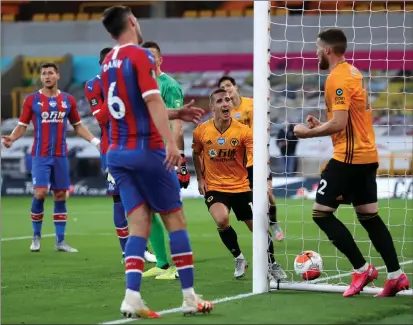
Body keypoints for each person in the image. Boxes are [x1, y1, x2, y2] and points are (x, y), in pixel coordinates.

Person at [100, 6, 213, 318]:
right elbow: (151, 100)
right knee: (175, 220)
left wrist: (176, 113)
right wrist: (169, 145)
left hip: (118, 155)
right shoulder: (140, 56)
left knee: (139, 225)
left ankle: (131, 297)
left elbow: (130, 106)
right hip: (146, 150)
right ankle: (190, 297)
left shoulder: (109, 61)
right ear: (133, 22)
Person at [293, 28, 410, 297]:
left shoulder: (337, 78)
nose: (315, 53)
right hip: (367, 155)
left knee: (321, 213)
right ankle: (395, 275)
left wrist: (306, 132)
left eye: (316, 47)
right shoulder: (354, 72)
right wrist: (323, 125)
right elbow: (348, 122)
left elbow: (341, 122)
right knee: (369, 216)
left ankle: (362, 268)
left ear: (327, 50)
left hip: (349, 157)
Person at [2, 62, 100, 253]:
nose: (47, 76)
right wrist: (12, 138)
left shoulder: (68, 100)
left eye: (50, 73)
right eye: (44, 74)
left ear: (57, 76)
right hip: (40, 154)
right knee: (39, 193)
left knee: (60, 195)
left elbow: (78, 125)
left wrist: (96, 142)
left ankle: (60, 242)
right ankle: (36, 236)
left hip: (60, 155)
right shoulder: (31, 100)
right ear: (41, 78)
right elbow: (22, 125)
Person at [192, 88, 287, 281]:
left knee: (259, 227)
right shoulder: (201, 130)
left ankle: (272, 264)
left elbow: (253, 157)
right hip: (215, 187)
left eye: (227, 100)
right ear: (212, 107)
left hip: (241, 186)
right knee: (221, 219)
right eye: (220, 101)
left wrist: (260, 180)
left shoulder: (244, 131)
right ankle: (239, 258)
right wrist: (201, 179)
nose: (225, 103)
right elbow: (196, 153)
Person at [84, 47, 157, 264]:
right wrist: (114, 93)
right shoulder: (93, 85)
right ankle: (127, 251)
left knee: (142, 200)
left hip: (136, 146)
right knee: (119, 200)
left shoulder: (129, 81)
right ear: (103, 64)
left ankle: (141, 247)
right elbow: (101, 118)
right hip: (113, 149)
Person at [139, 40, 191, 280]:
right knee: (147, 212)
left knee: (169, 211)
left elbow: (177, 125)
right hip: (142, 154)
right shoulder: (137, 84)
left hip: (164, 155)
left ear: (160, 60)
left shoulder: (169, 85)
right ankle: (161, 263)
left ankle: (180, 268)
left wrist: (179, 156)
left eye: (152, 56)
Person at [218, 76, 284, 241]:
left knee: (268, 193)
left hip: (257, 156)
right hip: (239, 163)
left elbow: (258, 130)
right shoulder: (224, 113)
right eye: (223, 87)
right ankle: (262, 231)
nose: (226, 89)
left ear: (235, 87)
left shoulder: (251, 104)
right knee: (251, 199)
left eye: (228, 86)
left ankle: (274, 223)